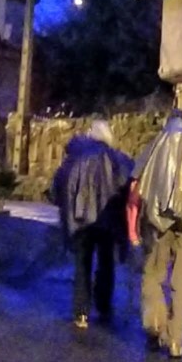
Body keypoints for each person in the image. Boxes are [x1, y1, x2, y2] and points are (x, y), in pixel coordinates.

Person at [126, 106, 182, 358]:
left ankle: (155, 323)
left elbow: (136, 186)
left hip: (157, 221)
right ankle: (176, 340)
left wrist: (133, 227)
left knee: (153, 274)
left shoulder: (157, 143)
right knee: (181, 282)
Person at [52, 118, 133, 328]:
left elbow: (59, 184)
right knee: (107, 264)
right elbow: (128, 186)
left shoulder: (75, 158)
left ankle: (81, 313)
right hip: (108, 220)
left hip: (81, 220)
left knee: (82, 264)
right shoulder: (118, 159)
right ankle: (104, 308)